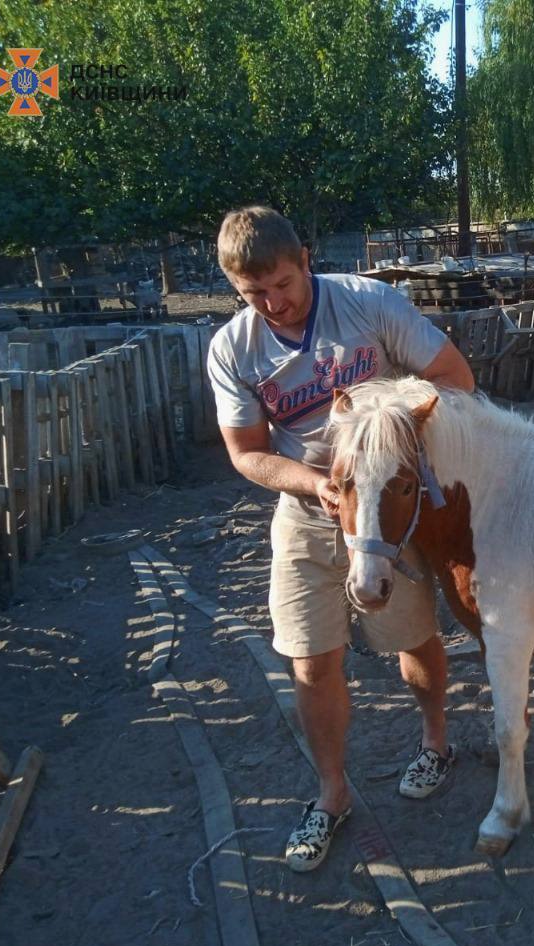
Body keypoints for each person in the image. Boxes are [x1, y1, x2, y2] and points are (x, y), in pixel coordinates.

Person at [206, 206, 475, 872]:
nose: (274, 303)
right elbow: (246, 454)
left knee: (413, 638)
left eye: (283, 284)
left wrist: (382, 438)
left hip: (385, 507)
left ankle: (436, 742)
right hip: (306, 513)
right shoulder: (232, 349)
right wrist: (310, 481)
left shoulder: (369, 303)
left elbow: (455, 379)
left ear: (304, 259)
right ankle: (332, 791)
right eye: (254, 294)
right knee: (309, 659)